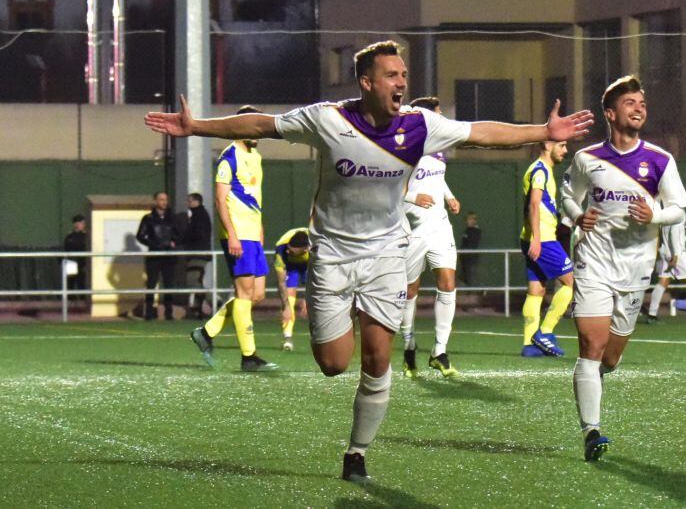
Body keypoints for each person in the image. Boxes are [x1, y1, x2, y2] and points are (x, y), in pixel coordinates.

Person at [144, 40, 593, 482]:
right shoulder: (327, 119)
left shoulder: (420, 124)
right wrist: (195, 126)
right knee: (334, 363)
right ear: (366, 82)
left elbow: (481, 132)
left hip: (385, 256)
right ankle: (349, 318)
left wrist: (542, 132)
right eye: (392, 75)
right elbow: (262, 125)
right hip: (333, 258)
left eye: (404, 76)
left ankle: (356, 453)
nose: (401, 83)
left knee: (378, 358)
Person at [560, 75, 686, 461]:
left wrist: (655, 215)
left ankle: (590, 386)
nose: (638, 109)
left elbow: (678, 209)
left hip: (635, 270)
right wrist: (577, 216)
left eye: (642, 104)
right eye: (630, 103)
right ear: (611, 113)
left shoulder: (660, 159)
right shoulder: (587, 159)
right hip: (593, 262)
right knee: (591, 346)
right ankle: (592, 431)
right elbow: (568, 195)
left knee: (610, 359)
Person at [189, 105, 278, 373]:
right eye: (254, 126)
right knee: (243, 294)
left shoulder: (256, 156)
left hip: (253, 234)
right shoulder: (229, 157)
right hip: (238, 235)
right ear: (240, 127)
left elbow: (255, 196)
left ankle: (207, 332)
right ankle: (248, 357)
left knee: (257, 295)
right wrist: (232, 235)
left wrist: (260, 225)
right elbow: (219, 199)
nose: (259, 132)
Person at [399, 95, 462, 378]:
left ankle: (439, 351)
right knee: (410, 291)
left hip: (439, 226)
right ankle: (409, 346)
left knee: (447, 283)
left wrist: (449, 196)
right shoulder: (403, 147)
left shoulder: (437, 147)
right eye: (436, 115)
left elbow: (436, 176)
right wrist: (413, 196)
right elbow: (389, 187)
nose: (441, 120)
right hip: (411, 230)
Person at [520, 140, 574, 358]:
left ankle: (529, 344)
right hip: (543, 240)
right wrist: (537, 239)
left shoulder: (543, 170)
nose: (565, 150)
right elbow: (534, 204)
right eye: (561, 145)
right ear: (547, 144)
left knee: (537, 290)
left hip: (535, 238)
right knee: (571, 282)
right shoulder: (540, 170)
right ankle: (545, 332)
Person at [135, 192, 179, 320]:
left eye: (166, 199)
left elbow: (178, 233)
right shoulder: (148, 218)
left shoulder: (172, 217)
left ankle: (169, 313)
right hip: (154, 255)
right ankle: (148, 313)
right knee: (151, 284)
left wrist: (173, 242)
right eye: (161, 199)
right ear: (155, 201)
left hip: (169, 255)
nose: (164, 202)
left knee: (169, 284)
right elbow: (140, 235)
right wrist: (154, 244)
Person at [274, 227, 311, 350]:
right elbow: (281, 283)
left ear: (305, 249)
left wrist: (308, 299)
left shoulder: (318, 248)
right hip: (291, 266)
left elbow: (319, 279)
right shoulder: (282, 249)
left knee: (316, 300)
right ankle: (287, 337)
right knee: (288, 298)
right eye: (289, 249)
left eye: (292, 251)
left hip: (309, 265)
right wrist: (286, 307)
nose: (289, 252)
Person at [183, 193, 213, 319]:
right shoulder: (197, 215)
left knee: (193, 280)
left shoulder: (199, 215)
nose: (188, 203)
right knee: (196, 280)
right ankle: (197, 308)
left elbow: (198, 234)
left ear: (197, 202)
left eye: (189, 201)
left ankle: (214, 301)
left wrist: (183, 239)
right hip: (196, 252)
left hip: (199, 253)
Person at [62, 214, 88, 303]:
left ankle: (83, 300)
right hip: (71, 262)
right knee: (71, 282)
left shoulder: (86, 236)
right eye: (81, 223)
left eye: (83, 223)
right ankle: (70, 302)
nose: (83, 225)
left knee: (82, 282)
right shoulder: (70, 236)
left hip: (83, 262)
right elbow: (66, 249)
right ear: (76, 224)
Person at [458, 212, 482, 286]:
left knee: (471, 278)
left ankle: (476, 293)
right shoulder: (467, 231)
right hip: (464, 259)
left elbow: (473, 244)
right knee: (463, 277)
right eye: (469, 219)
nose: (471, 221)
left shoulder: (476, 231)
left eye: (473, 219)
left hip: (472, 259)